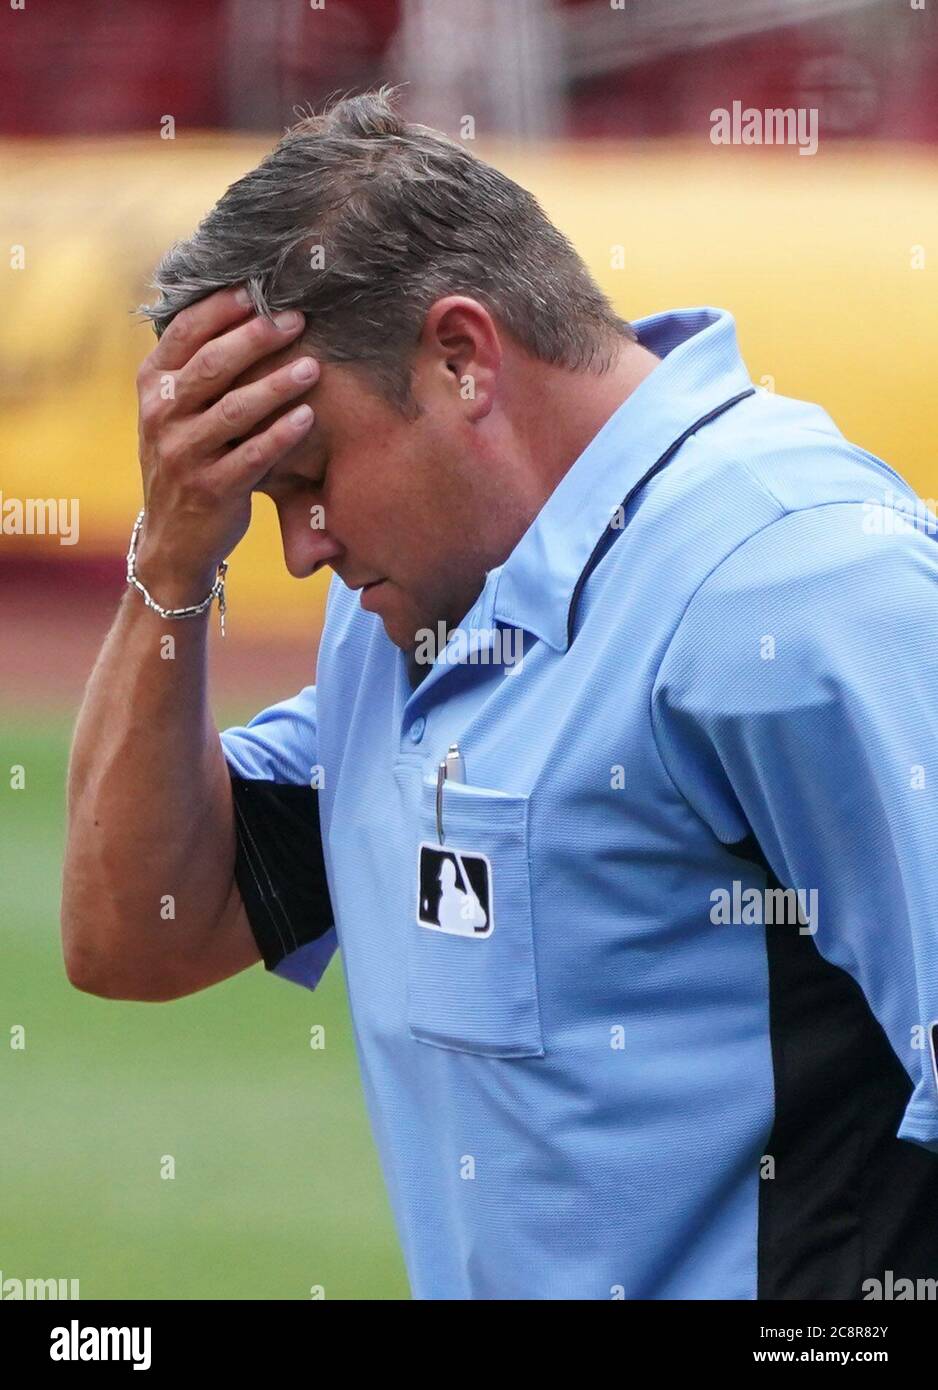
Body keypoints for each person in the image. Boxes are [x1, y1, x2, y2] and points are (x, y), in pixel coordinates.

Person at [62, 86, 938, 1300]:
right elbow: (137, 933)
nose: (300, 550)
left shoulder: (796, 580)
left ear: (462, 359)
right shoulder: (415, 606)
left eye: (306, 476)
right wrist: (170, 561)